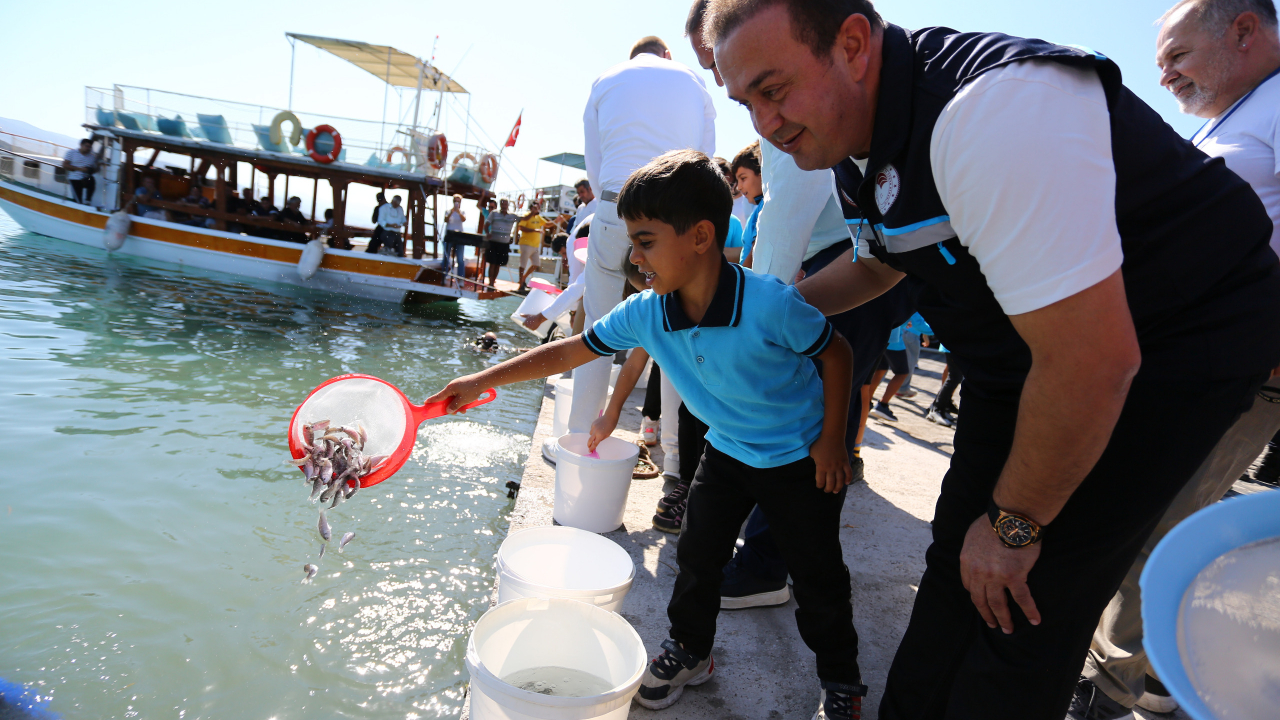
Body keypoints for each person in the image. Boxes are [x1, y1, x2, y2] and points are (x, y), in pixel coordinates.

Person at [705, 2, 1280, 719]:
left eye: (773, 89)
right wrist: (766, 315)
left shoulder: (992, 113)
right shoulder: (850, 137)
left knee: (1027, 593)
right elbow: (882, 263)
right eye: (746, 103)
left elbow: (1093, 364)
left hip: (1170, 344)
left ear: (851, 45)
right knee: (956, 559)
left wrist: (1016, 525)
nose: (764, 125)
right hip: (1023, 358)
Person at [426, 150, 864, 720]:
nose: (633, 256)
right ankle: (690, 651)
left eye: (646, 241)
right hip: (727, 451)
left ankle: (842, 681)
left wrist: (832, 442)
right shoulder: (646, 312)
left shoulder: (770, 303)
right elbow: (572, 349)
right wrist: (480, 380)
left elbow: (837, 353)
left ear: (701, 236)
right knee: (697, 558)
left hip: (798, 457)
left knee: (818, 577)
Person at [1076, 2, 1280, 718]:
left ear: (1244, 31)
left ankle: (1109, 688)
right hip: (1191, 356)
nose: (1164, 76)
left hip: (1247, 365)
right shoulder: (1237, 116)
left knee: (1157, 525)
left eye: (1177, 57)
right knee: (1155, 518)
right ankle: (1162, 670)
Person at [571, 33, 716, 463]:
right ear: (667, 54)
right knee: (675, 331)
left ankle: (577, 442)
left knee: (596, 327)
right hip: (676, 214)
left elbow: (595, 163)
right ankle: (673, 458)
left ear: (632, 56)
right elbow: (704, 157)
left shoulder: (606, 79)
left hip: (614, 202)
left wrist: (612, 207)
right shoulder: (693, 80)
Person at [729, 142, 762, 264]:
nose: (739, 187)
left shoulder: (765, 209)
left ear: (762, 173)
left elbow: (755, 255)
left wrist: (743, 274)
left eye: (743, 178)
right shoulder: (758, 209)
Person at [483, 198, 518, 287]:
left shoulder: (512, 216)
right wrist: (488, 234)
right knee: (492, 263)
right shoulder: (494, 213)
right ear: (500, 205)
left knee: (498, 264)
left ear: (508, 205)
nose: (504, 206)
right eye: (502, 204)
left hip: (504, 244)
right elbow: (486, 225)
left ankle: (493, 282)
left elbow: (523, 219)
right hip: (493, 242)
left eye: (505, 204)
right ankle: (490, 283)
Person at [515, 199, 547, 292]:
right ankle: (521, 284)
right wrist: (534, 230)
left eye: (538, 207)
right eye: (535, 207)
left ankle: (523, 279)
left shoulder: (538, 217)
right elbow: (521, 227)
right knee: (523, 264)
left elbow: (547, 224)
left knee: (536, 264)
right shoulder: (526, 216)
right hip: (526, 244)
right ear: (531, 207)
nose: (537, 208)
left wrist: (557, 220)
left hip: (535, 245)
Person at [63, 138, 100, 205]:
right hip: (74, 178)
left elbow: (95, 169)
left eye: (89, 147)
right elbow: (64, 165)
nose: (88, 148)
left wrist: (91, 169)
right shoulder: (71, 153)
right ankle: (77, 204)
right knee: (78, 200)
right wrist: (80, 169)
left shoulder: (92, 157)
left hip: (85, 178)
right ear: (81, 145)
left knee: (91, 179)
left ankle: (88, 201)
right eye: (86, 146)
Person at [442, 194, 468, 281]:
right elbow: (445, 220)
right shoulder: (448, 211)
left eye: (458, 201)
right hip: (449, 236)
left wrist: (458, 212)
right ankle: (443, 277)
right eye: (455, 201)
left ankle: (461, 279)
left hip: (459, 237)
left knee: (460, 259)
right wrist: (452, 212)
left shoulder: (462, 212)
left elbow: (464, 219)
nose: (457, 203)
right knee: (446, 257)